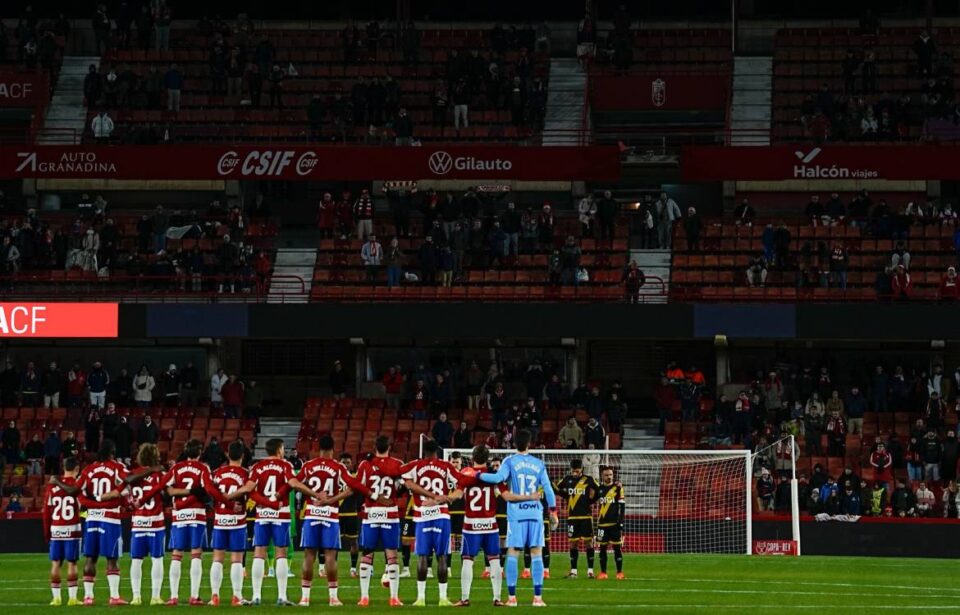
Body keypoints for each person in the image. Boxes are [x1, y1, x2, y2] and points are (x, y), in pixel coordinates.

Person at [235, 438, 325, 606]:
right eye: (283, 448)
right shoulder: (285, 466)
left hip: (262, 514)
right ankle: (282, 596)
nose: (284, 451)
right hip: (280, 514)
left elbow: (249, 488)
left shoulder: (258, 467)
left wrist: (229, 496)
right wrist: (314, 493)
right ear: (278, 450)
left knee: (259, 552)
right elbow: (293, 484)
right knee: (281, 553)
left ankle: (256, 596)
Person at [354, 435, 439, 607]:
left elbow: (358, 486)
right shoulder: (398, 464)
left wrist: (371, 495)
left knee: (367, 555)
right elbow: (403, 487)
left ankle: (364, 597)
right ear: (389, 448)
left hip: (371, 513)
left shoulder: (365, 464)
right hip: (390, 514)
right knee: (392, 555)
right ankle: (393, 597)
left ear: (375, 447)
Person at [479, 429, 559, 607]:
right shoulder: (539, 464)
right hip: (535, 514)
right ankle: (537, 598)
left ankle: (512, 598)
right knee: (536, 553)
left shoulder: (509, 461)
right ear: (529, 443)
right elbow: (549, 490)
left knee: (513, 553)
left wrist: (478, 475)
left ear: (514, 443)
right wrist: (553, 512)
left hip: (517, 515)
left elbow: (498, 477)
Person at [295, 435, 370, 607]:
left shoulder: (308, 466)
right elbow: (352, 487)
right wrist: (332, 499)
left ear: (318, 448)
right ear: (333, 449)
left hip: (312, 514)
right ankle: (333, 598)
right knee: (330, 556)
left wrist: (313, 494)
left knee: (309, 555)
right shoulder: (338, 467)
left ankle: (304, 598)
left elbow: (294, 482)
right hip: (330, 514)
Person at [53, 439, 129, 606]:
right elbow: (127, 485)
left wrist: (87, 514)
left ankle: (88, 597)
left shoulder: (89, 469)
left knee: (90, 558)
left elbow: (78, 494)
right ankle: (114, 596)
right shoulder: (116, 467)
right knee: (112, 558)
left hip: (91, 519)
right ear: (112, 453)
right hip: (110, 518)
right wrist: (120, 499)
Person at [401, 440, 459, 607]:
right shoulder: (446, 466)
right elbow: (461, 484)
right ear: (438, 452)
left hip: (422, 515)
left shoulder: (415, 465)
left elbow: (403, 478)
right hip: (442, 514)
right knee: (442, 556)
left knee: (423, 555)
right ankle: (443, 598)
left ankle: (420, 598)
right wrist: (446, 497)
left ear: (424, 451)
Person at [207, 440, 250, 606]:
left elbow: (211, 494)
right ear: (243, 456)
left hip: (220, 520)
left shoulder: (217, 473)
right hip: (238, 521)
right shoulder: (246, 473)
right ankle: (236, 597)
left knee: (217, 558)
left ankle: (214, 596)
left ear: (227, 454)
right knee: (237, 559)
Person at [124, 444, 166, 606]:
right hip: (156, 523)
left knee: (136, 560)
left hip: (139, 523)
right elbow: (166, 495)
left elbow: (127, 481)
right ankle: (155, 596)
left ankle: (136, 597)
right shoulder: (159, 475)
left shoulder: (134, 473)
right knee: (157, 559)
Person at [44, 456, 82, 606]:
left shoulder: (52, 487)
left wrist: (47, 532)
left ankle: (56, 598)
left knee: (55, 563)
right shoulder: (78, 486)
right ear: (77, 469)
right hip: (72, 529)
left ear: (64, 467)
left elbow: (46, 512)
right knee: (72, 563)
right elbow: (84, 507)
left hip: (56, 528)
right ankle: (72, 598)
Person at [554, 459, 600, 578]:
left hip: (586, 516)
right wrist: (566, 496)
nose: (575, 471)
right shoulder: (566, 479)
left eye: (577, 469)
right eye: (573, 469)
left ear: (581, 469)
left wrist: (591, 500)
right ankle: (573, 571)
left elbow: (599, 490)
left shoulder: (588, 479)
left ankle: (590, 571)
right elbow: (556, 488)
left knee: (589, 543)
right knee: (573, 543)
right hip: (572, 517)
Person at [592, 466, 626, 579]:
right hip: (602, 524)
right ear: (602, 476)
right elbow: (592, 500)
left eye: (610, 475)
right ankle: (603, 573)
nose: (609, 477)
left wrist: (620, 522)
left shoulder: (617, 488)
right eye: (606, 475)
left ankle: (619, 572)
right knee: (602, 549)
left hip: (614, 524)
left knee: (617, 548)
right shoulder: (599, 489)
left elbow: (622, 506)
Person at [337, 453, 361, 578]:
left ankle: (353, 568)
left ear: (351, 464)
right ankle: (329, 567)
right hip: (337, 513)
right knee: (334, 542)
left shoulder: (356, 477)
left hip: (351, 513)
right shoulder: (334, 476)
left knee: (354, 541)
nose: (345, 465)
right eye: (343, 462)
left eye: (347, 462)